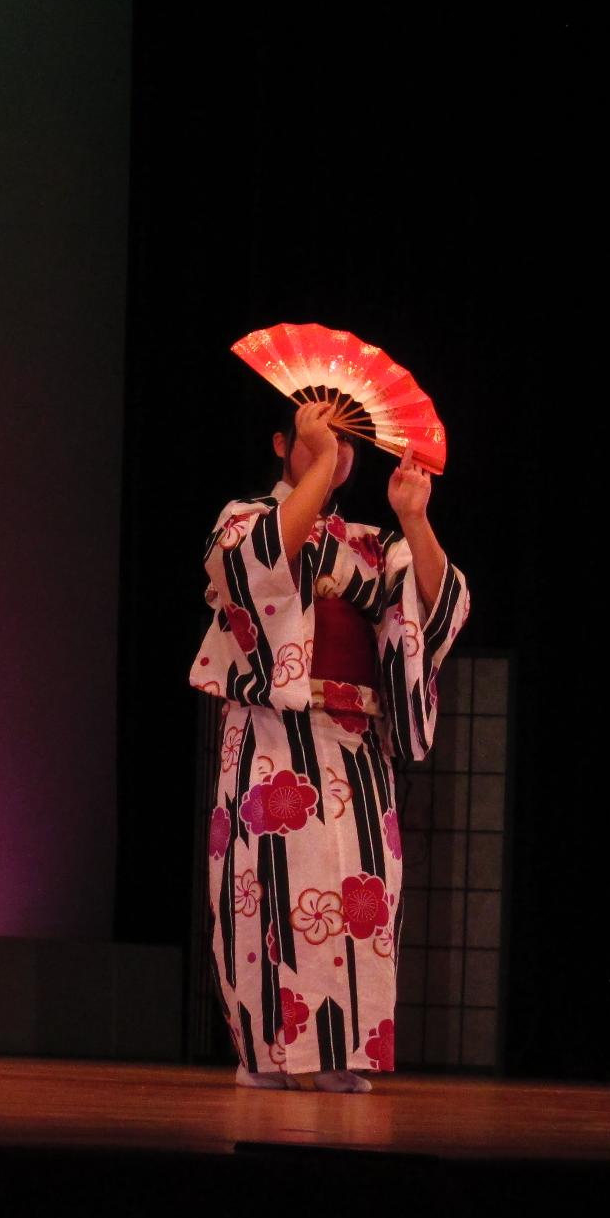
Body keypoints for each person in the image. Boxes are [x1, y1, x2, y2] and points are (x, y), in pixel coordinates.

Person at [192, 399, 467, 1090]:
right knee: (272, 891)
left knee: (360, 894)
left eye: (346, 442)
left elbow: (434, 609)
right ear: (281, 441)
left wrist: (413, 517)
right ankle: (271, 1054)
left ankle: (343, 1050)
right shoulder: (244, 519)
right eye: (317, 437)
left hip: (353, 741)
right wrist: (314, 468)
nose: (335, 450)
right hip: (272, 739)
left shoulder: (371, 542)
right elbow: (258, 570)